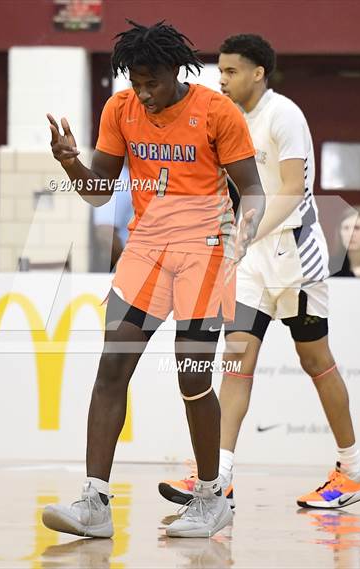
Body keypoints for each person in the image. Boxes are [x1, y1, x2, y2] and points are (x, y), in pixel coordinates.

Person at [42, 21, 265, 538]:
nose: (143, 94)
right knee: (110, 368)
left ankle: (211, 499)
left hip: (203, 250)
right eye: (135, 83)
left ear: (176, 73)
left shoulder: (217, 111)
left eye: (153, 83)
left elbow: (251, 187)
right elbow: (98, 191)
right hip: (146, 248)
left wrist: (249, 219)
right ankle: (95, 502)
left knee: (192, 376)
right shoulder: (121, 109)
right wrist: (71, 162)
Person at [159, 34, 360, 510]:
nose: (221, 79)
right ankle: (220, 475)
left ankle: (354, 469)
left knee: (316, 361)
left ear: (258, 73)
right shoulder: (223, 115)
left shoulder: (284, 115)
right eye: (219, 70)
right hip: (252, 257)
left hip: (294, 254)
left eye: (231, 71)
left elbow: (296, 189)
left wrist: (248, 232)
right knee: (236, 363)